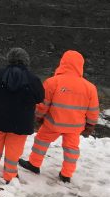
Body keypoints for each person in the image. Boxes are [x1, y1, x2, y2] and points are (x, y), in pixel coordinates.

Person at [19, 50, 100, 183]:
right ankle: (66, 175)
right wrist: (90, 125)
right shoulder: (90, 87)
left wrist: (39, 117)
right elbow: (93, 110)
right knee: (71, 150)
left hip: (53, 123)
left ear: (63, 62)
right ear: (80, 65)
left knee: (41, 142)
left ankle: (34, 165)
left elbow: (43, 104)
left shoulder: (52, 82)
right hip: (75, 126)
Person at [0, 48, 44, 182]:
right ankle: (10, 175)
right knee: (14, 149)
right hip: (21, 123)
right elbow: (40, 97)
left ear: (9, 59)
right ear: (26, 61)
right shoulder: (33, 79)